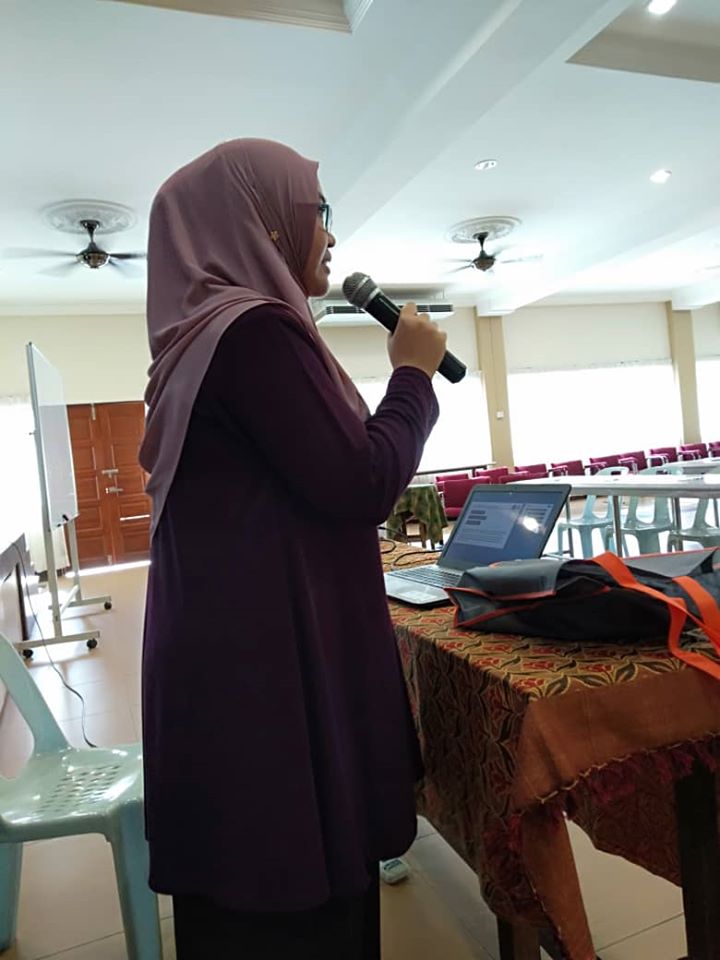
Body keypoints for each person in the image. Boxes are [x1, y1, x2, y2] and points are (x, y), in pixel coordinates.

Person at [139, 138, 446, 959]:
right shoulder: (253, 333)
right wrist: (413, 378)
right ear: (264, 222)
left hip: (233, 672)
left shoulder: (195, 342)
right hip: (270, 682)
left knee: (243, 901)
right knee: (295, 905)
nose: (331, 234)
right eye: (320, 212)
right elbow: (358, 482)